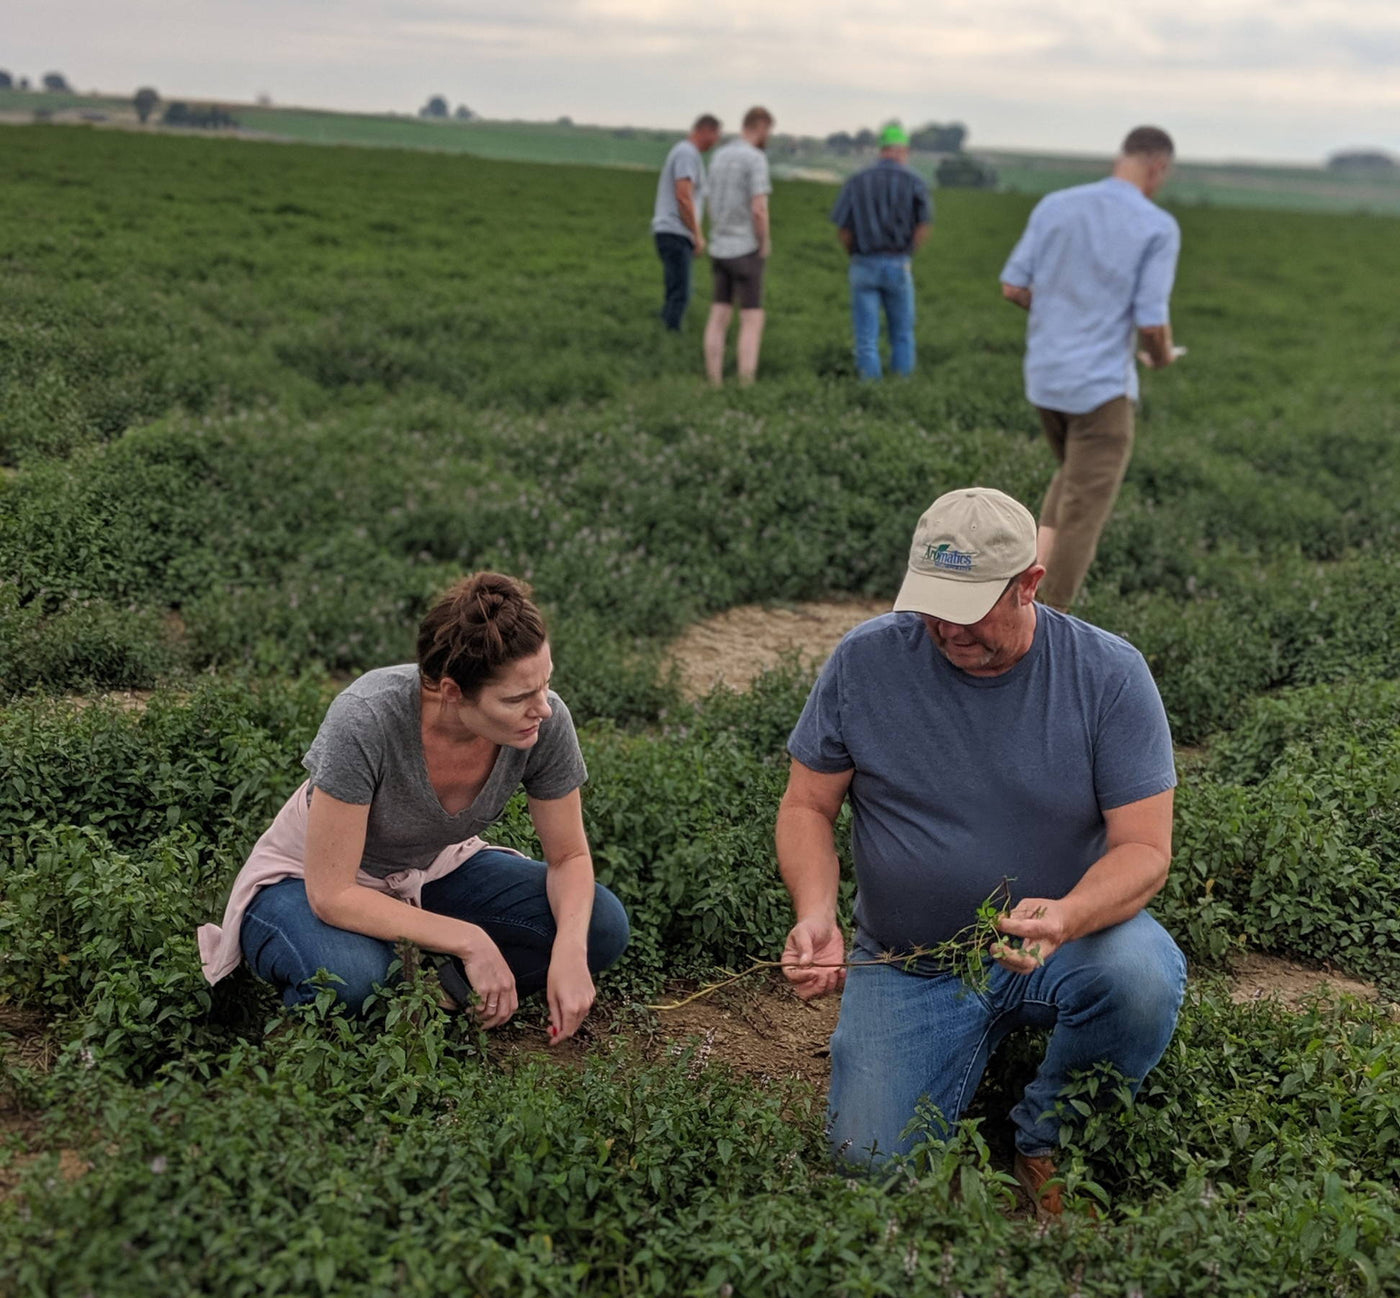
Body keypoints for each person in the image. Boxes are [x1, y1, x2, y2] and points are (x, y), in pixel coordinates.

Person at [776, 487, 1185, 1214]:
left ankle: (1046, 1136)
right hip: (911, 961)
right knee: (868, 1167)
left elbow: (1145, 850)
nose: (944, 627)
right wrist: (816, 911)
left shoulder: (1109, 676)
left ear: (1029, 582)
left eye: (967, 607)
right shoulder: (866, 661)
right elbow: (808, 804)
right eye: (931, 602)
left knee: (1140, 977)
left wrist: (1068, 914)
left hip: (1061, 945)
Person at [198, 573, 629, 1043]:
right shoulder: (367, 716)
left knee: (599, 927)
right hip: (306, 879)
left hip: (431, 868)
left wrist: (569, 951)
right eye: (517, 698)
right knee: (353, 978)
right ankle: (384, 993)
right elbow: (332, 893)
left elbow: (569, 857)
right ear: (451, 692)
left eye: (545, 684)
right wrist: (471, 940)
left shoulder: (544, 722)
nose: (542, 709)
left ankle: (435, 987)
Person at [999, 126, 1183, 612]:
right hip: (1101, 391)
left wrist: (1059, 314)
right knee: (1083, 514)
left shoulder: (1055, 205)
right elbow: (1150, 321)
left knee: (1068, 485)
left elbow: (1014, 288)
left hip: (1045, 380)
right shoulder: (1157, 226)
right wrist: (1161, 356)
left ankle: (1018, 592)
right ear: (1158, 167)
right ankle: (1044, 624)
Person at [830, 122, 933, 379]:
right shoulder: (915, 181)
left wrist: (854, 253)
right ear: (902, 150)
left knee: (866, 336)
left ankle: (869, 390)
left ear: (881, 149)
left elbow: (842, 228)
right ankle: (901, 388)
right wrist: (909, 251)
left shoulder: (857, 180)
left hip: (863, 262)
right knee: (902, 332)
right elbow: (924, 225)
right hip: (898, 262)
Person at [703, 106, 775, 386]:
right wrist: (763, 242)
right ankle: (746, 382)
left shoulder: (719, 156)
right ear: (761, 127)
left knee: (719, 314)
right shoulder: (755, 158)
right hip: (745, 247)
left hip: (719, 245)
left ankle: (714, 380)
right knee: (752, 318)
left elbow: (709, 200)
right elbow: (759, 208)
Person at [651, 114, 722, 332]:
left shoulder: (686, 152)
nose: (716, 141)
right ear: (705, 130)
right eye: (716, 135)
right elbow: (683, 195)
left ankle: (661, 330)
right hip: (676, 231)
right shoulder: (687, 153)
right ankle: (670, 337)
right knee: (681, 293)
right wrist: (697, 234)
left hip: (670, 231)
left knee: (675, 289)